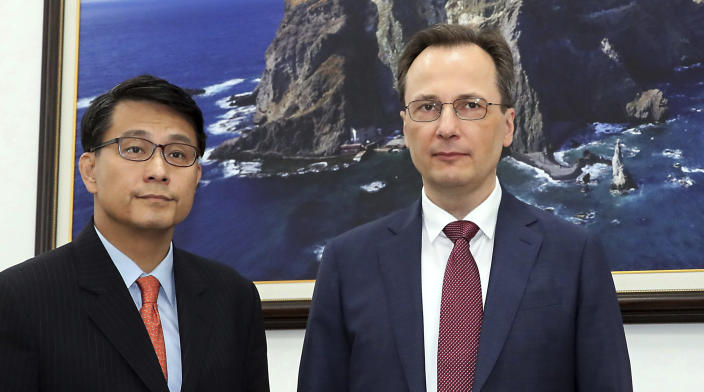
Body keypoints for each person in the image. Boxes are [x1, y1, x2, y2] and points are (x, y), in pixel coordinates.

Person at [298, 24, 632, 391]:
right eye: (427, 107)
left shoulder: (575, 258)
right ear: (406, 127)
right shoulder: (347, 264)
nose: (446, 127)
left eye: (470, 105)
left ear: (508, 127)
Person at [0, 75, 269, 392]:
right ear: (90, 171)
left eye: (178, 154)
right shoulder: (20, 298)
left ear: (196, 176)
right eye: (135, 149)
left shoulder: (234, 298)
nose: (158, 170)